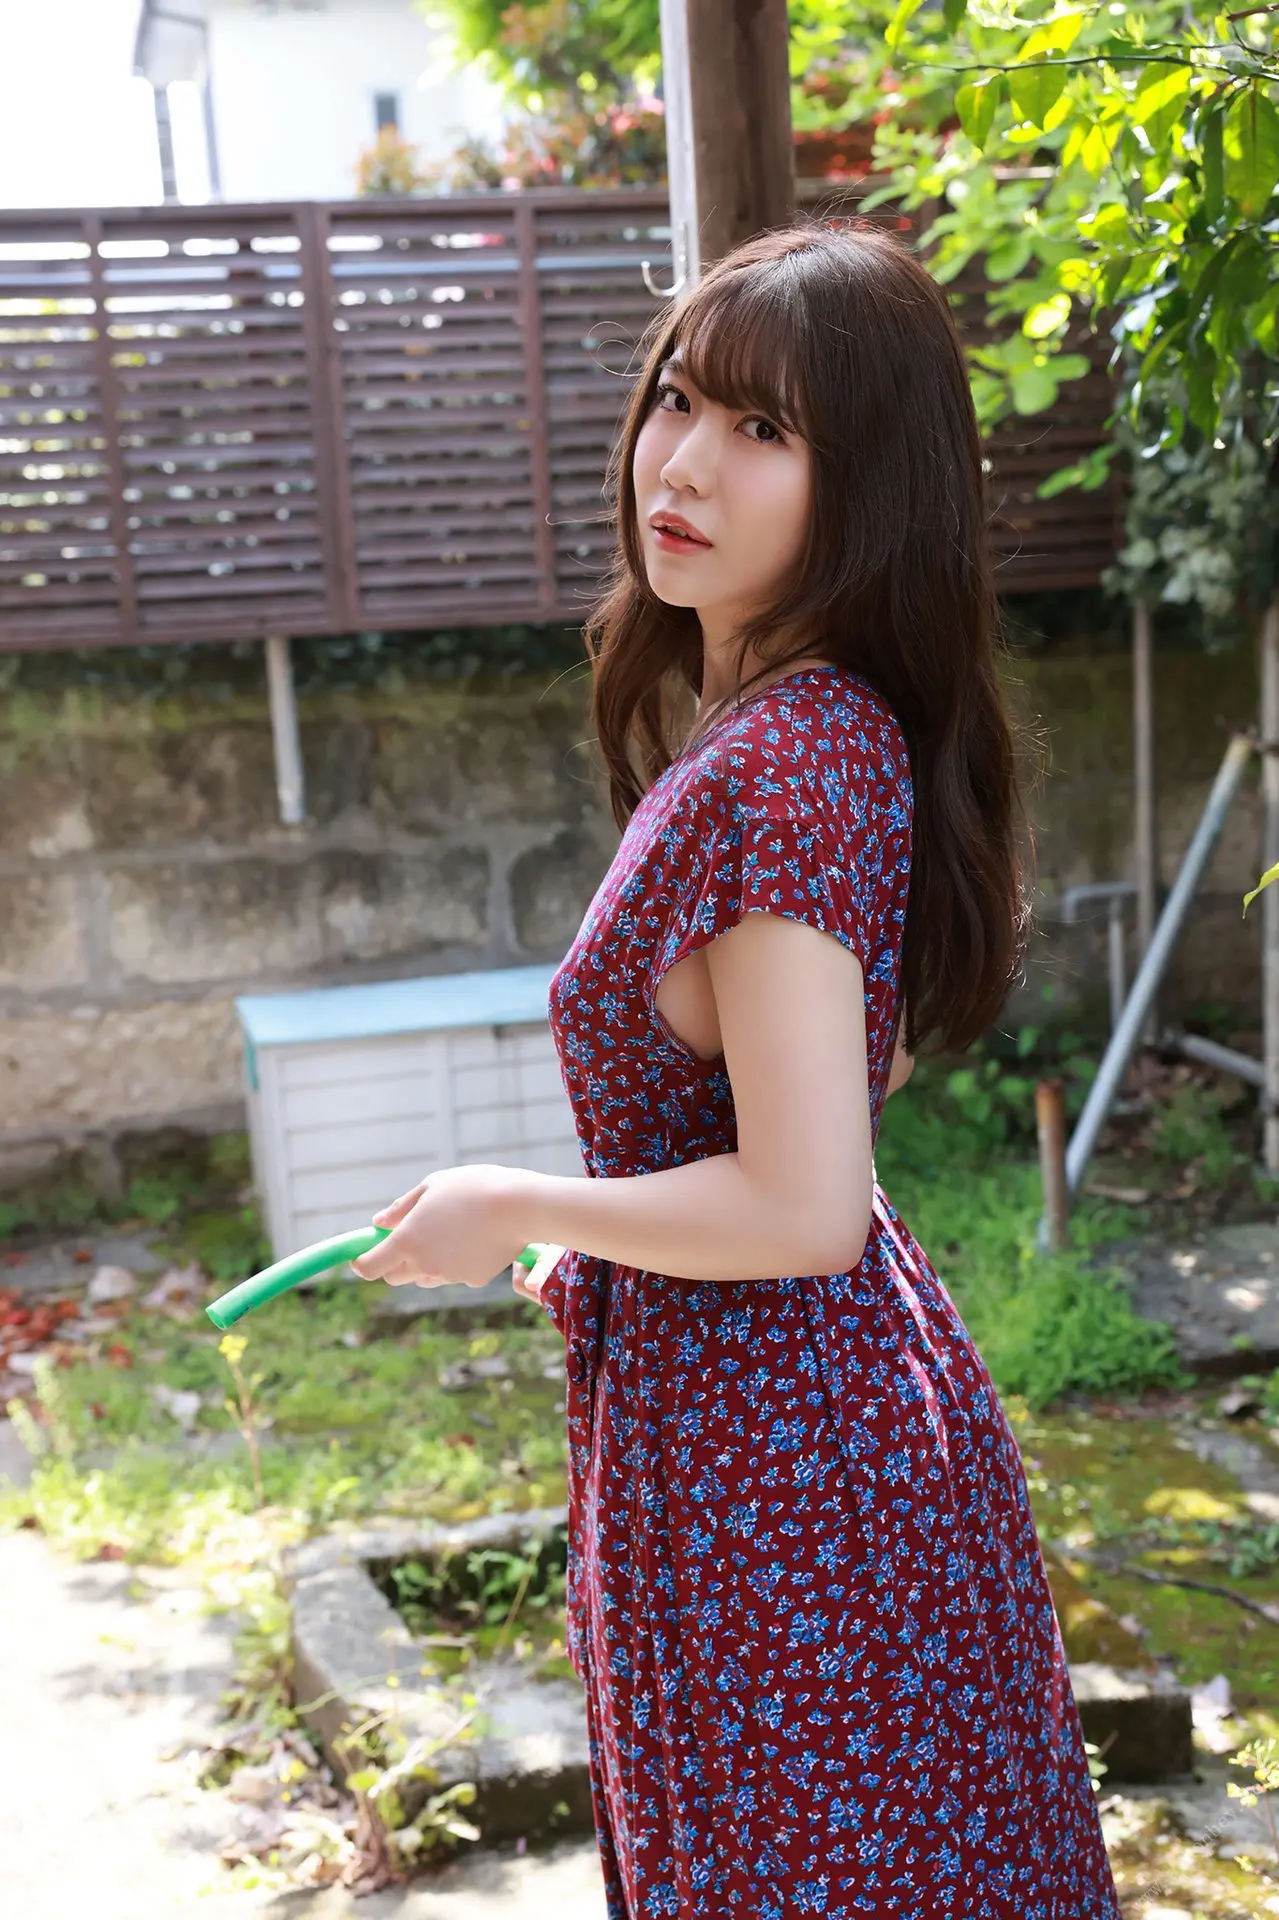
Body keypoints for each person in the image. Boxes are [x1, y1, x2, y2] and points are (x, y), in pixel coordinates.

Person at [353, 222, 1121, 1918]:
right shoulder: (804, 733)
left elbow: (802, 1206)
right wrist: (605, 1242)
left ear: (871, 489)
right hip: (771, 1432)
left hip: (784, 1484)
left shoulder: (787, 763)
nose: (685, 463)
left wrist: (516, 1201)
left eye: (765, 430)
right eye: (679, 400)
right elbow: (829, 1093)